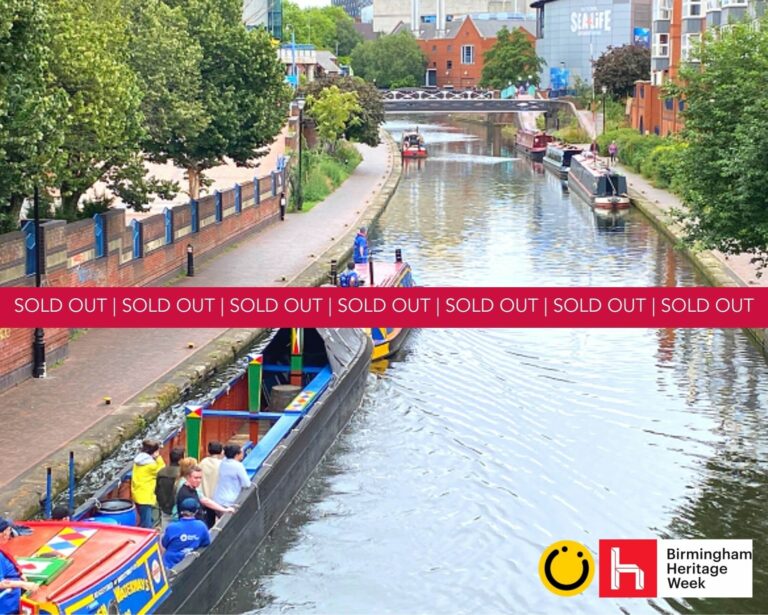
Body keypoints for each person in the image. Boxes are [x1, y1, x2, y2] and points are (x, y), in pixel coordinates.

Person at [0, 517, 39, 615]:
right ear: (3, 534)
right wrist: (24, 584)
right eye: (9, 530)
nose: (10, 534)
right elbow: (1, 583)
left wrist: (19, 573)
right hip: (7, 607)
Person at [161, 498, 210, 570]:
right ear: (196, 511)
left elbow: (164, 544)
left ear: (181, 511)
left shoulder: (172, 527)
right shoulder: (201, 526)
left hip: (169, 566)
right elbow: (206, 542)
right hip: (190, 565)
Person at [131, 439, 165, 529]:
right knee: (147, 524)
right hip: (145, 497)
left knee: (143, 519)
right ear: (153, 452)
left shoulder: (138, 461)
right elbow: (162, 470)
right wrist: (158, 457)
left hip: (137, 493)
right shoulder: (151, 465)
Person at [155, 446, 185, 529]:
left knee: (165, 529)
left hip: (164, 507)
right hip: (178, 509)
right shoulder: (182, 475)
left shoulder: (161, 472)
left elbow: (156, 490)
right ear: (180, 460)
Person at [212, 444, 250, 509]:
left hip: (217, 499)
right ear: (236, 455)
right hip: (229, 501)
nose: (243, 454)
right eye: (241, 452)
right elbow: (247, 484)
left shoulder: (223, 462)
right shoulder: (238, 466)